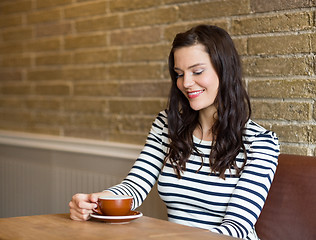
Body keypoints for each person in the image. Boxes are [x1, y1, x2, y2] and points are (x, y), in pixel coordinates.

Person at [69, 25, 279, 239]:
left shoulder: (260, 143)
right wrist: (96, 201)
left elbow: (236, 228)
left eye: (197, 71)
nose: (186, 83)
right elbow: (135, 187)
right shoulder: (166, 126)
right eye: (179, 74)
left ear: (225, 70)